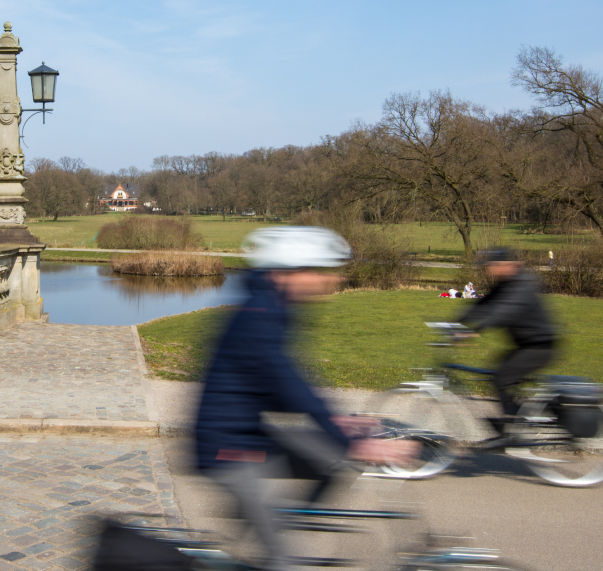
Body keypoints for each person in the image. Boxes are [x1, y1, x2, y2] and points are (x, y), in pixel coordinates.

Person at [194, 227, 415, 571]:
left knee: (332, 458)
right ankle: (273, 541)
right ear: (288, 272)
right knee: (285, 563)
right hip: (227, 449)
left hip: (251, 435)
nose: (333, 278)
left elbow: (276, 386)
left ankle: (272, 525)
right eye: (321, 270)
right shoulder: (259, 317)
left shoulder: (274, 307)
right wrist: (356, 442)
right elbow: (291, 384)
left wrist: (339, 427)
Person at [456, 248, 556, 448]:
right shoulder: (505, 285)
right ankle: (516, 421)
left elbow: (505, 312)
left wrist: (477, 330)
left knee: (502, 376)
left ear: (506, 266)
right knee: (498, 374)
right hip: (526, 345)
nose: (489, 271)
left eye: (492, 267)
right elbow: (483, 305)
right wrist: (456, 324)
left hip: (540, 347)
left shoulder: (522, 285)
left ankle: (512, 429)